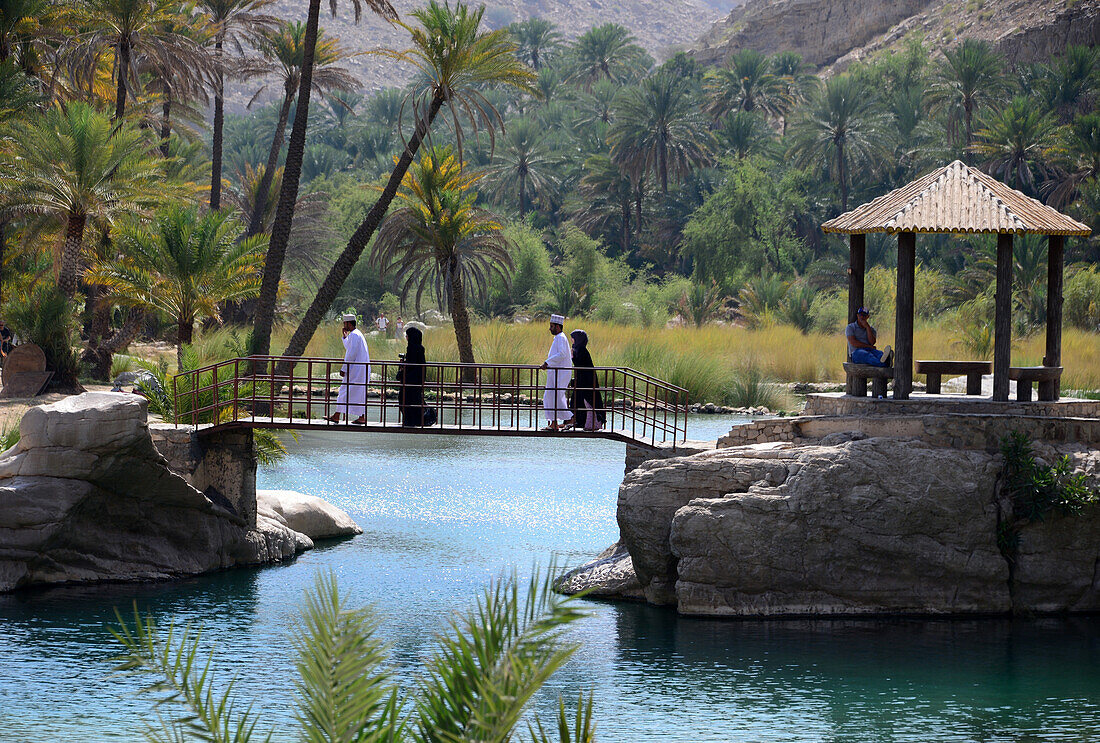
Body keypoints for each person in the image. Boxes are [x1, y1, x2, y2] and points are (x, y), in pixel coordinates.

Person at [327, 313, 370, 423]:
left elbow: (351, 353)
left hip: (356, 370)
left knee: (344, 391)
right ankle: (360, 417)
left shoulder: (355, 335)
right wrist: (345, 337)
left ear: (348, 323)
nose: (343, 325)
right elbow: (350, 347)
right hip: (359, 370)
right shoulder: (356, 334)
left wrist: (344, 368)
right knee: (358, 392)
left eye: (344, 323)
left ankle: (337, 415)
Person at [540, 314, 573, 431]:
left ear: (558, 327)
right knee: (551, 396)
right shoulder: (559, 337)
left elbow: (562, 354)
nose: (550, 328)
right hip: (556, 373)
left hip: (560, 373)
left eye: (552, 326)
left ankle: (568, 419)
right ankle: (556, 423)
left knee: (554, 396)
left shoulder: (560, 338)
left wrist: (547, 363)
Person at [570, 329, 606, 432]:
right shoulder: (579, 349)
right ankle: (585, 423)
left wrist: (572, 356)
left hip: (586, 380)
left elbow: (579, 363)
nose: (571, 340)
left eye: (573, 338)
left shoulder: (581, 350)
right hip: (583, 379)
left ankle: (593, 424)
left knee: (589, 401)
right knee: (582, 402)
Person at [397, 326, 429, 426]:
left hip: (411, 380)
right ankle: (414, 420)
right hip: (417, 379)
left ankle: (409, 420)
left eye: (407, 336)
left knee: (404, 399)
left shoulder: (412, 348)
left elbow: (411, 365)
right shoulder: (419, 348)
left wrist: (402, 369)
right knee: (414, 400)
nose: (406, 338)